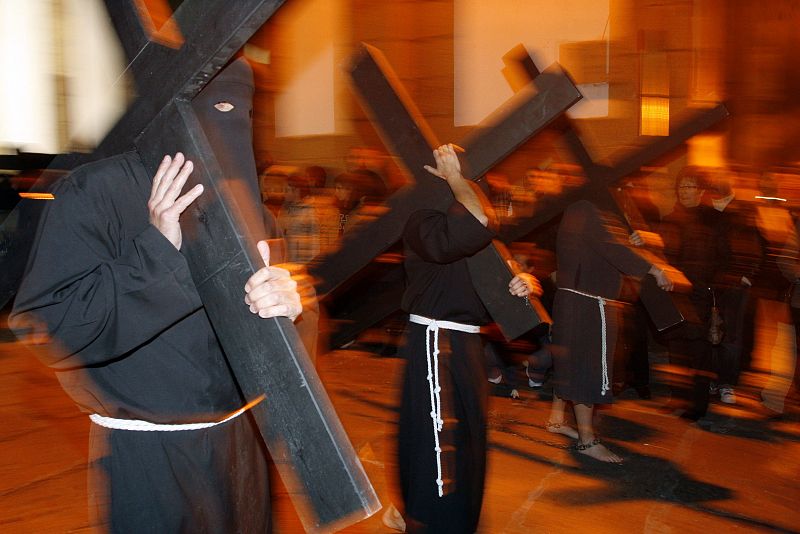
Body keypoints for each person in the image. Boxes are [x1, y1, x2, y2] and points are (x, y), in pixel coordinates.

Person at [9, 59, 303, 532]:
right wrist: (159, 252)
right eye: (211, 106)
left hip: (243, 444)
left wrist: (288, 309)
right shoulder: (96, 191)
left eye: (236, 109)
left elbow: (272, 344)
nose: (224, 122)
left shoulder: (250, 206)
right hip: (150, 453)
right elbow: (49, 327)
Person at [397, 144, 539, 532]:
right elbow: (473, 225)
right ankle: (430, 521)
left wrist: (521, 282)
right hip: (435, 340)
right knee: (441, 445)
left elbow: (498, 271)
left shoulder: (472, 225)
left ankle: (457, 522)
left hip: (468, 344)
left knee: (470, 442)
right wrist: (456, 178)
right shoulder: (422, 219)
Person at [548, 199, 674, 463]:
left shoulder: (577, 208)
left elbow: (604, 248)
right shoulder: (589, 209)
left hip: (575, 301)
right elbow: (612, 248)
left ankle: (557, 420)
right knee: (588, 371)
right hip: (587, 305)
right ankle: (587, 441)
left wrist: (637, 244)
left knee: (570, 365)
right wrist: (655, 268)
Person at [659, 166, 728, 422]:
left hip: (701, 293)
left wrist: (712, 287)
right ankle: (677, 396)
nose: (684, 191)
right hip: (675, 292)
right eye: (681, 186)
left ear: (700, 191)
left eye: (689, 186)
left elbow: (724, 258)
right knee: (676, 348)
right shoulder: (670, 218)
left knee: (699, 351)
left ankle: (698, 405)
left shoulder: (715, 219)